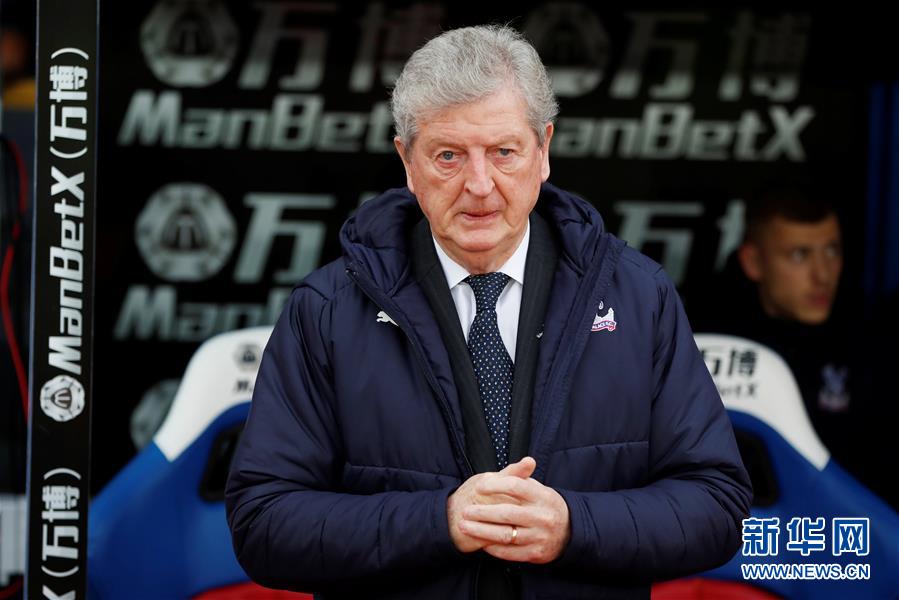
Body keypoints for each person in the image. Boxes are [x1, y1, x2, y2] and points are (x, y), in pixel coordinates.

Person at [225, 25, 751, 599]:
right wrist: (440, 521)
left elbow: (718, 504)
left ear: (543, 151)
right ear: (407, 161)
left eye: (504, 152)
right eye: (448, 156)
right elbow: (263, 524)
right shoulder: (328, 311)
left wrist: (574, 526)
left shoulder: (637, 296)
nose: (479, 185)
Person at [690, 184, 860, 479]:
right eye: (799, 255)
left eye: (832, 251)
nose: (823, 275)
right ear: (753, 262)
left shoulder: (865, 335)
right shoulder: (703, 343)